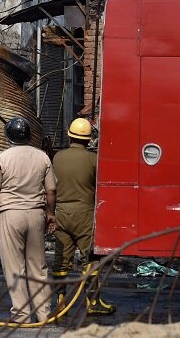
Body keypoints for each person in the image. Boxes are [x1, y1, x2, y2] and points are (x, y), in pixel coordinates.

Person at [0, 117, 56, 323]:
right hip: (36, 214)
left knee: (15, 268)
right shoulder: (43, 158)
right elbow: (51, 190)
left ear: (8, 135)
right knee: (38, 267)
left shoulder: (1, 159)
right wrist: (50, 214)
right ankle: (43, 314)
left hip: (10, 215)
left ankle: (22, 315)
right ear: (29, 135)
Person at [51, 118, 115, 316]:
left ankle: (60, 300)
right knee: (90, 258)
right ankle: (93, 301)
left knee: (62, 259)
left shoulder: (57, 158)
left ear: (69, 135)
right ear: (88, 140)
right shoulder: (93, 159)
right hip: (84, 214)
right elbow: (101, 186)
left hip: (61, 213)